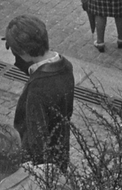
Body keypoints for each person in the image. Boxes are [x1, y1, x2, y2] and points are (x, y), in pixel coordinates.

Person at [5, 15, 74, 170]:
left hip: (41, 164)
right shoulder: (66, 66)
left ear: (23, 52)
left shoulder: (37, 88)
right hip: (61, 148)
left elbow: (37, 137)